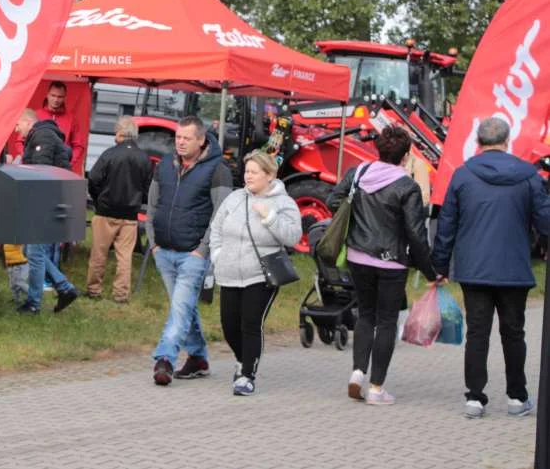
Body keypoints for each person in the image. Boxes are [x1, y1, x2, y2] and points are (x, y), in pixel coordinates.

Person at [431, 117, 550, 419]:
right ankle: (516, 397)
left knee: (477, 333)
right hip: (514, 269)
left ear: (479, 142)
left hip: (474, 269)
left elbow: (447, 225)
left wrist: (439, 265)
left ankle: (475, 398)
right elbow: (545, 222)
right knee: (514, 333)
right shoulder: (529, 176)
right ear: (508, 141)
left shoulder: (461, 175)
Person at [327, 125, 437, 405]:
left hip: (357, 257)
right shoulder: (407, 187)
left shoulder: (358, 173)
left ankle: (357, 373)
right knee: (386, 322)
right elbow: (415, 233)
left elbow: (333, 200)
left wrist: (354, 222)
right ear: (406, 155)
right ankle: (376, 388)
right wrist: (430, 271)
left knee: (365, 315)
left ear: (378, 147)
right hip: (392, 263)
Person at [147, 116, 233, 386]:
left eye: (186, 138)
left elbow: (222, 214)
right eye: (178, 137)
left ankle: (164, 360)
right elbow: (152, 205)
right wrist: (154, 243)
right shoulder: (165, 165)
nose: (180, 142)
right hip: (164, 251)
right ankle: (198, 358)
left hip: (193, 255)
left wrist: (202, 250)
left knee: (180, 310)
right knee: (182, 308)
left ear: (201, 140)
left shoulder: (218, 170)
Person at [209, 150, 301, 396]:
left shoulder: (283, 203)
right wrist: (218, 255)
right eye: (246, 171)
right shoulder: (235, 198)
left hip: (261, 275)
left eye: (254, 172)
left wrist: (270, 217)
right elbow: (216, 228)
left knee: (250, 324)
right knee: (229, 326)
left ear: (269, 175)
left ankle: (247, 375)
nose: (248, 176)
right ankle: (243, 359)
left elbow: (294, 237)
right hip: (229, 272)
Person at [13, 109, 78, 315]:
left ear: (27, 121)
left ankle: (33, 303)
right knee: (32, 251)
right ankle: (64, 288)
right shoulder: (42, 136)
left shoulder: (42, 137)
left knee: (34, 253)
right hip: (51, 200)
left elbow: (39, 174)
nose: (16, 130)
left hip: (45, 201)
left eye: (18, 125)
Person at [86, 116, 153, 303]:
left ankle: (94, 290)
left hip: (106, 211)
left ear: (119, 132)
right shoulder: (144, 158)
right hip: (130, 214)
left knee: (99, 254)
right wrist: (139, 201)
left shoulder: (109, 154)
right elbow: (149, 187)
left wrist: (98, 199)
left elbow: (93, 179)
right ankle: (121, 294)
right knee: (125, 257)